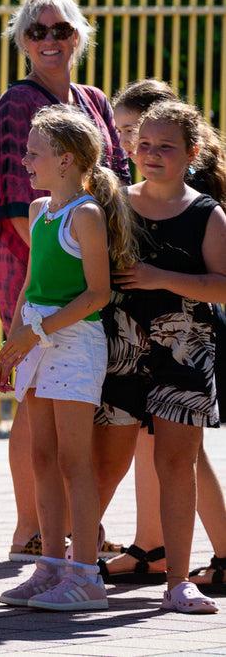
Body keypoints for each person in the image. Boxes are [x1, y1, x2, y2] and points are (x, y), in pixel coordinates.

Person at [0, 0, 130, 562]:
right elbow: (16, 206)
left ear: (79, 36)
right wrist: (66, 257)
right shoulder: (16, 105)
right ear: (21, 39)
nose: (50, 40)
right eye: (37, 30)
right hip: (35, 272)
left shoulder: (93, 98)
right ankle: (33, 529)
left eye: (61, 29)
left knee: (73, 404)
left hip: (90, 267)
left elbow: (115, 179)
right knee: (36, 403)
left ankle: (72, 531)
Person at [0, 106, 136, 611]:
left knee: (75, 461)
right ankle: (50, 567)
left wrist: (36, 333)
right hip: (36, 338)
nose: (25, 159)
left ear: (66, 159)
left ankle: (86, 576)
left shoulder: (87, 214)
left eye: (35, 152)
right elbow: (32, 287)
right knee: (41, 457)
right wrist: (14, 344)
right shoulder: (39, 211)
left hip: (76, 344)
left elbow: (97, 293)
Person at [96, 101, 226, 613]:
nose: (151, 154)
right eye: (143, 144)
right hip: (119, 347)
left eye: (165, 147)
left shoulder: (206, 213)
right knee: (104, 463)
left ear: (192, 153)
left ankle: (177, 582)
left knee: (177, 463)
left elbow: (222, 286)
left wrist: (161, 279)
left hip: (184, 352)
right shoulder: (113, 204)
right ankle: (70, 566)